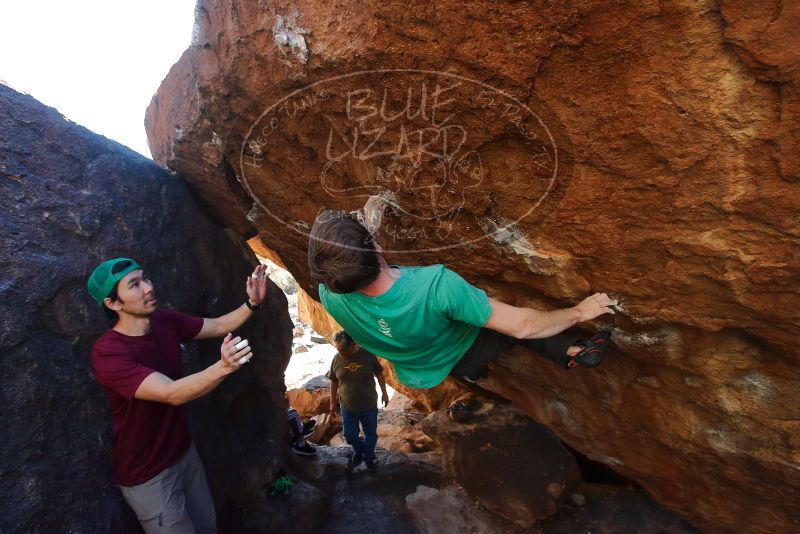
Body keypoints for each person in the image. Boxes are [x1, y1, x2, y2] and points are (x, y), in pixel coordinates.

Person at [307, 198, 616, 390]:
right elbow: (523, 325)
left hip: (421, 365)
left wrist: (367, 235)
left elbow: (348, 265)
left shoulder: (330, 291)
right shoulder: (435, 287)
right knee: (515, 326)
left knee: (481, 329)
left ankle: (478, 373)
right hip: (461, 349)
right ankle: (572, 351)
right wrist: (580, 311)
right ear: (375, 247)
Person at [87, 257, 268, 533]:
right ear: (112, 303)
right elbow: (171, 393)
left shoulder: (164, 321)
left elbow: (218, 325)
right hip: (148, 473)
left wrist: (252, 303)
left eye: (145, 278)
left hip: (183, 451)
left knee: (208, 525)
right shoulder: (109, 354)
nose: (148, 287)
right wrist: (224, 367)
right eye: (134, 285)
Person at [327, 330, 389, 470]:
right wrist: (332, 404)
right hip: (347, 406)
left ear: (353, 343)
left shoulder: (367, 354)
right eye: (338, 349)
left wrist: (384, 393)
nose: (340, 352)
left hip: (368, 405)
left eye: (343, 349)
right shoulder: (337, 358)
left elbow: (379, 374)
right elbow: (333, 381)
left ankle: (368, 458)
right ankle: (360, 450)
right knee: (349, 435)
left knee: (370, 434)